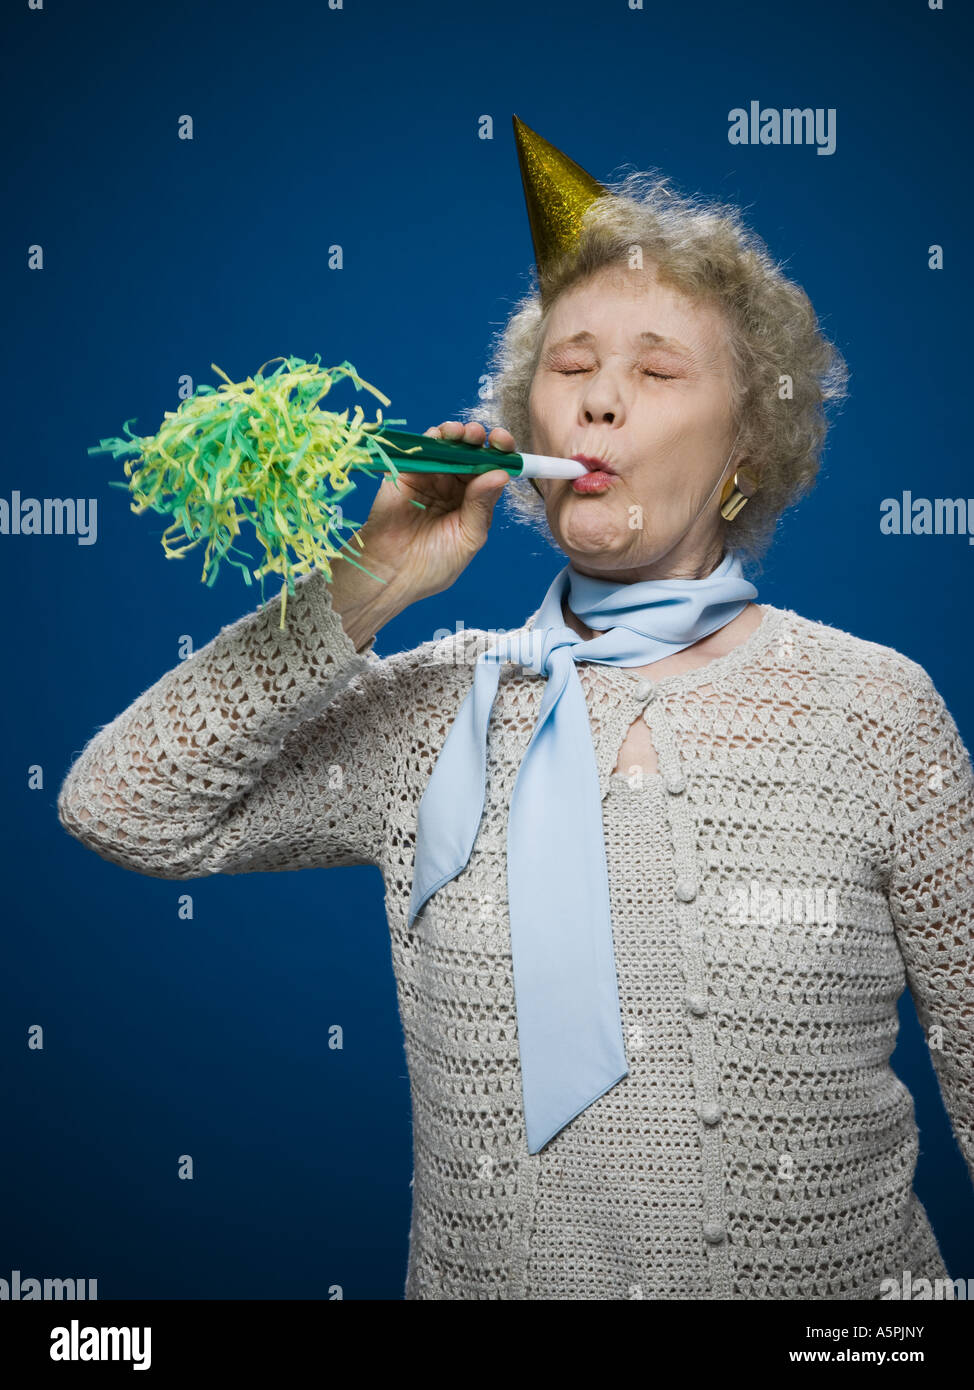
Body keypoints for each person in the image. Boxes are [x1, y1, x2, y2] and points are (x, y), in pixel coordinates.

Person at [57, 121, 973, 1300]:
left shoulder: (876, 712)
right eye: (570, 366)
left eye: (654, 372)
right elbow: (119, 807)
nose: (598, 403)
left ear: (747, 439)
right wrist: (370, 577)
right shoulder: (437, 707)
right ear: (528, 419)